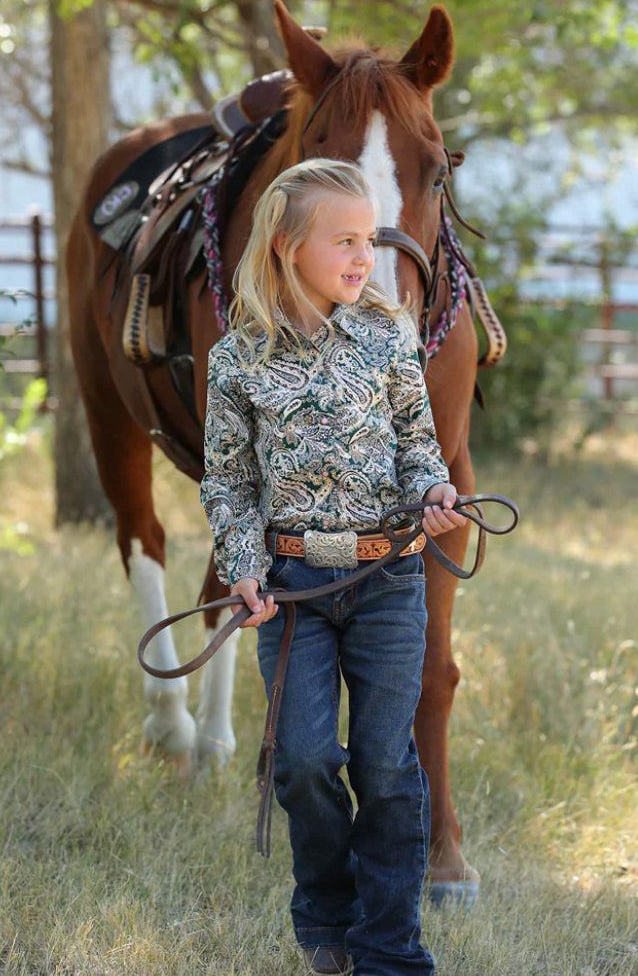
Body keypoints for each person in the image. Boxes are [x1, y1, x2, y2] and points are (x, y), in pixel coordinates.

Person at [200, 159, 466, 976]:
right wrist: (243, 567)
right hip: (292, 589)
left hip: (388, 580)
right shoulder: (236, 361)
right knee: (306, 759)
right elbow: (230, 479)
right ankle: (325, 910)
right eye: (344, 241)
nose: (365, 256)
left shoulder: (387, 336)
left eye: (371, 239)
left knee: (388, 766)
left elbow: (419, 442)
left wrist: (433, 488)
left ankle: (391, 948)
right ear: (285, 247)